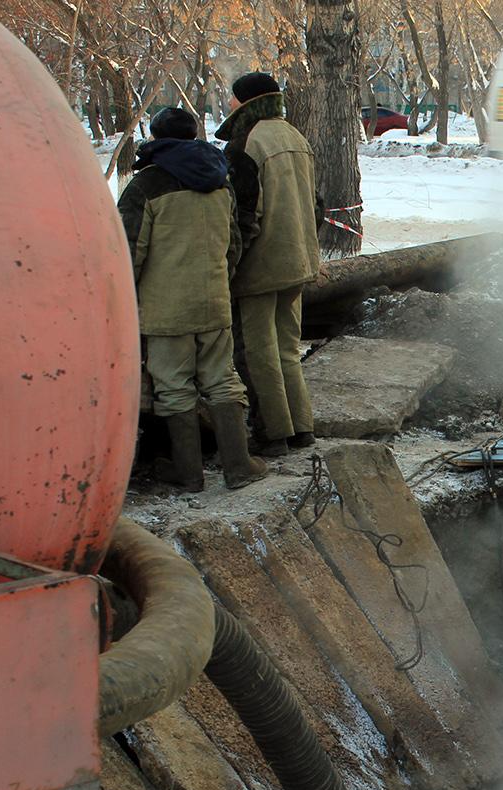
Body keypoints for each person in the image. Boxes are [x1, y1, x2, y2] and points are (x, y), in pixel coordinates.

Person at [117, 107, 266, 493]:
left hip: (165, 308)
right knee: (222, 380)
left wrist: (123, 298)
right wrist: (222, 280)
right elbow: (233, 242)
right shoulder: (221, 180)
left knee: (173, 386)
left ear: (155, 137)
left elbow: (129, 251)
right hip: (214, 300)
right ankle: (239, 466)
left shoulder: (145, 186)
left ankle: (189, 473)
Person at [215, 72, 321, 457]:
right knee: (288, 349)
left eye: (231, 98)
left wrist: (227, 267)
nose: (228, 104)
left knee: (258, 352)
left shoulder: (247, 141)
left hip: (260, 266)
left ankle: (272, 434)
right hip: (298, 260)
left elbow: (242, 214)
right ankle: (302, 428)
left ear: (245, 102)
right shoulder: (295, 136)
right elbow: (317, 206)